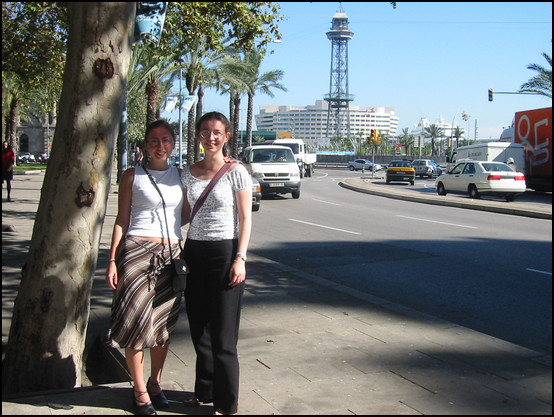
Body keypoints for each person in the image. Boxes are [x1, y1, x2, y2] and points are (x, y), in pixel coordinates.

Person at [105, 120, 184, 415]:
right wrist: (112, 259)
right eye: (154, 140)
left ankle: (155, 383)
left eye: (166, 140)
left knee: (163, 325)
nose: (160, 146)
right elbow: (121, 220)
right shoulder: (131, 175)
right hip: (136, 253)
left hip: (171, 256)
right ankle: (139, 391)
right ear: (144, 145)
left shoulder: (181, 175)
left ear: (173, 143)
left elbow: (186, 211)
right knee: (136, 323)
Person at [180, 111, 252, 415]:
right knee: (199, 329)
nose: (211, 137)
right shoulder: (186, 172)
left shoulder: (237, 172)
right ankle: (204, 389)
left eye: (217, 132)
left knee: (223, 335)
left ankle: (226, 403)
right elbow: (184, 214)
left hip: (225, 253)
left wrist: (240, 258)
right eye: (205, 132)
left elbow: (246, 218)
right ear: (198, 135)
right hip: (193, 252)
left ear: (227, 136)